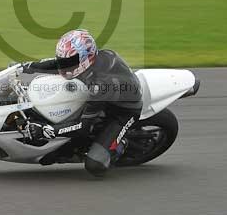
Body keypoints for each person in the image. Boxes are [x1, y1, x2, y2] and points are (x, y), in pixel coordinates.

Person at [20, 29, 142, 177]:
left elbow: (83, 127)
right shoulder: (89, 61)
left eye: (69, 62)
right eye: (63, 60)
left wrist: (46, 130)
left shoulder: (100, 86)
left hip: (123, 111)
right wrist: (26, 67)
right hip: (106, 96)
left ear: (85, 59)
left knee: (95, 165)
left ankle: (121, 145)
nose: (64, 66)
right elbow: (57, 64)